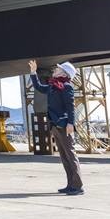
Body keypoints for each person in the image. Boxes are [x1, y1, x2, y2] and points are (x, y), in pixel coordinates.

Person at [28, 59, 83, 195]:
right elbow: (39, 87)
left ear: (64, 73)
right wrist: (33, 73)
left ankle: (78, 186)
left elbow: (70, 106)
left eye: (58, 69)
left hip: (64, 125)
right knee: (64, 156)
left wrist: (71, 123)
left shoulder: (66, 87)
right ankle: (70, 184)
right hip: (55, 124)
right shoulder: (53, 86)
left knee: (70, 155)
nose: (54, 70)